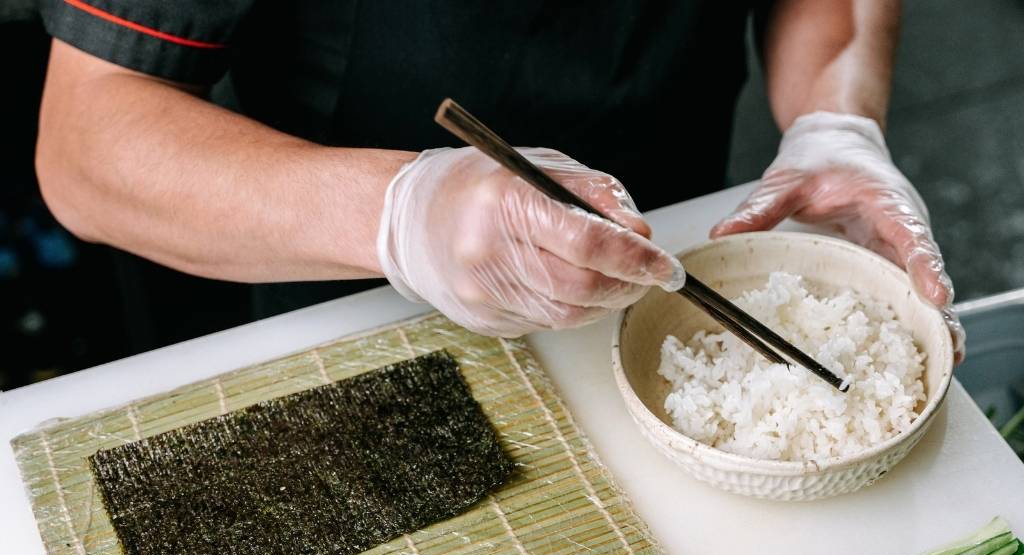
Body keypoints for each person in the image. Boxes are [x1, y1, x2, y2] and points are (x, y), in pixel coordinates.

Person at [34, 0, 964, 356]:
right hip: (359, 287)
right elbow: (87, 141)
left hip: (676, 249)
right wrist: (405, 214)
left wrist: (834, 122)